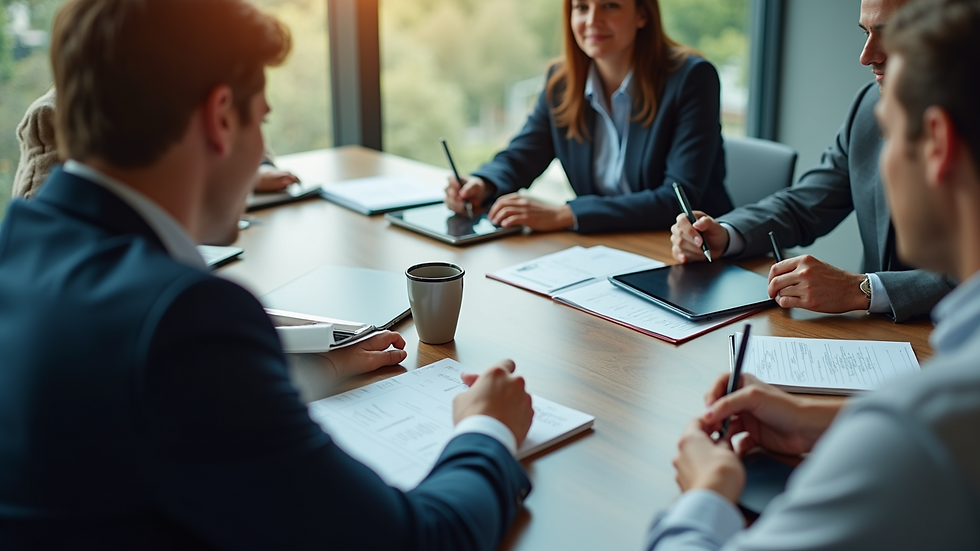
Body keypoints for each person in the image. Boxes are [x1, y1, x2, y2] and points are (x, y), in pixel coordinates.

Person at [0, 1, 534, 549]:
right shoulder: (182, 316)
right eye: (262, 121)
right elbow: (417, 541)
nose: (261, 149)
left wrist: (314, 369)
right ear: (222, 116)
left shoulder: (21, 243)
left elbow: (157, 410)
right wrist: (486, 428)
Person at [648, 0, 980, 548]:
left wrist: (706, 495)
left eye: (893, 132)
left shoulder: (920, 431)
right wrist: (817, 420)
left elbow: (929, 436)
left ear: (938, 144)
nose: (865, 55)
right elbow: (809, 198)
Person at [670, 0, 957, 322]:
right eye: (866, 33)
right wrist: (726, 233)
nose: (866, 56)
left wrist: (861, 289)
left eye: (890, 33)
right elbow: (805, 203)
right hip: (877, 339)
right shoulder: (869, 107)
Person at [444, 0, 733, 234]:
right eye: (582, 7)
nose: (592, 20)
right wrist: (482, 184)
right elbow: (523, 155)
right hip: (603, 246)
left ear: (642, 13)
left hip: (689, 250)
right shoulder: (561, 82)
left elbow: (677, 199)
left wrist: (566, 213)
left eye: (609, 6)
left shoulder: (691, 79)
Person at [11, 87, 300, 200]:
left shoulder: (197, 78)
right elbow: (40, 247)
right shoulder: (53, 115)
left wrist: (256, 170)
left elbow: (243, 116)